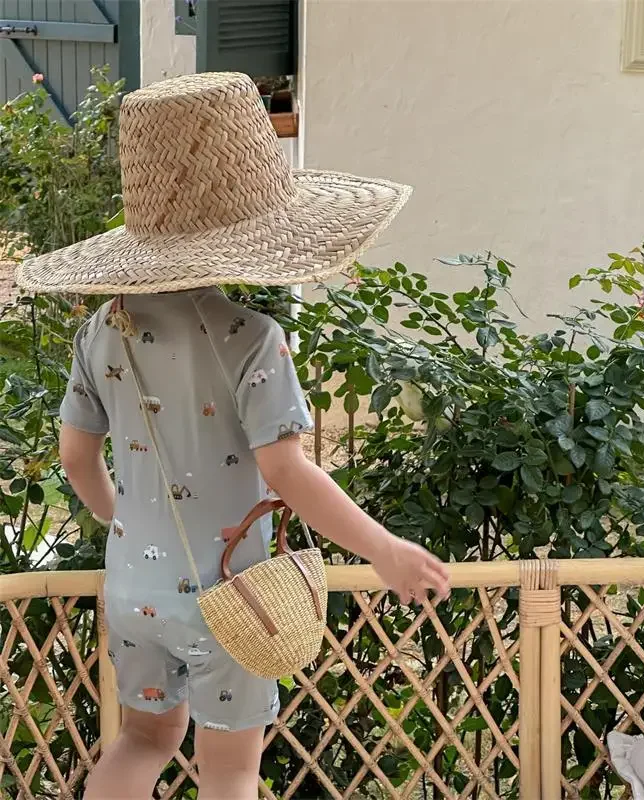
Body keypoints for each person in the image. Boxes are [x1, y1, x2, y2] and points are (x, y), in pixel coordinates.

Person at [16, 72, 449, 800]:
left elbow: (74, 455)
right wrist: (386, 551)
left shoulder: (100, 330)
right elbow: (286, 473)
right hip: (230, 595)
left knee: (141, 740)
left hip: (133, 588)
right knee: (231, 771)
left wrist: (116, 520)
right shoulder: (253, 338)